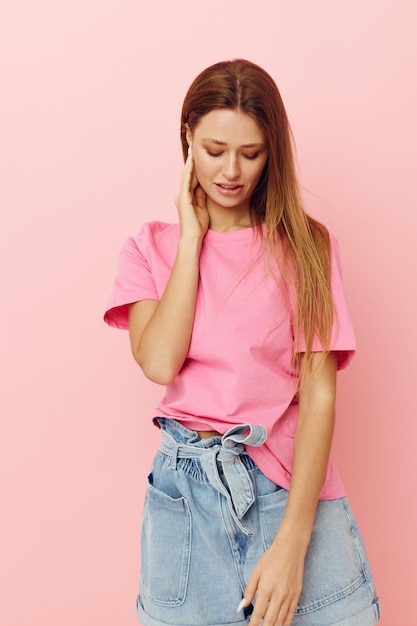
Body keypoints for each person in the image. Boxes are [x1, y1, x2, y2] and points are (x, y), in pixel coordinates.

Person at [104, 59, 380, 626]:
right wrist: (191, 239)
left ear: (272, 150)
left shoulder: (306, 247)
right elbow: (159, 361)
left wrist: (292, 543)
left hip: (287, 487)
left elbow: (319, 396)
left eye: (251, 153)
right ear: (187, 140)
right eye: (214, 150)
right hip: (186, 495)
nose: (231, 171)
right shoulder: (148, 249)